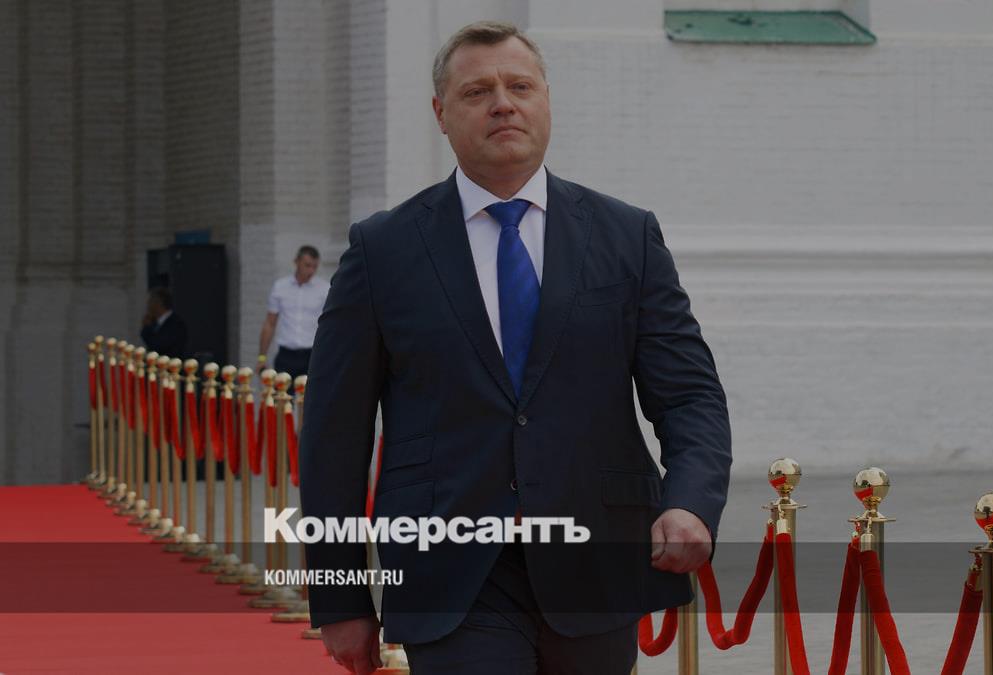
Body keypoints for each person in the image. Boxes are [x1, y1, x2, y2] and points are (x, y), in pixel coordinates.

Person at [300, 21, 731, 675]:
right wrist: (340, 596)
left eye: (520, 86)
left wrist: (690, 500)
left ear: (546, 99)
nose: (503, 103)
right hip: (450, 572)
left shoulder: (626, 236)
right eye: (477, 92)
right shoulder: (382, 250)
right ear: (441, 114)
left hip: (595, 561)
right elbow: (335, 433)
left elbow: (689, 395)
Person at [257, 245, 330, 377]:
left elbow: (330, 325)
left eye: (314, 266)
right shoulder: (280, 287)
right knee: (282, 389)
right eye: (307, 265)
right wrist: (262, 357)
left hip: (312, 355)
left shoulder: (324, 289)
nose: (311, 270)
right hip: (286, 355)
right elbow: (270, 323)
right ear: (296, 262)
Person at [139, 287, 187, 359]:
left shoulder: (175, 324)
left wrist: (146, 328)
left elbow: (157, 345)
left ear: (158, 303)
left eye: (150, 301)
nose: (148, 305)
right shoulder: (155, 323)